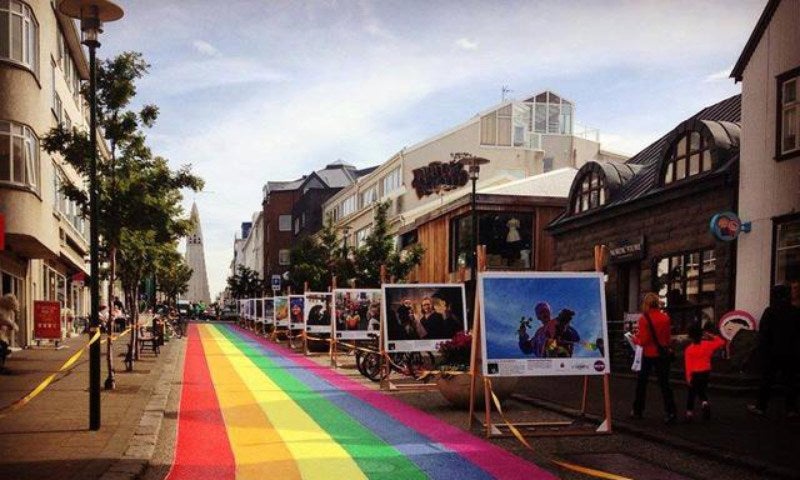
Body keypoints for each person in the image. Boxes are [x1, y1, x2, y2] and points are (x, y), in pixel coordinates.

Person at [747, 284, 799, 418]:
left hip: (772, 353)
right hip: (791, 353)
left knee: (767, 380)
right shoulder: (795, 311)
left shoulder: (770, 311)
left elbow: (764, 334)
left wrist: (762, 352)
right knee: (790, 381)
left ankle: (761, 407)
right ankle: (791, 409)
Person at [632, 292, 677, 423]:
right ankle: (671, 411)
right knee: (665, 384)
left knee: (642, 384)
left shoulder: (643, 319)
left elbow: (644, 340)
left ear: (645, 304)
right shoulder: (665, 318)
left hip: (647, 354)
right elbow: (668, 339)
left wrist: (635, 339)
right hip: (662, 354)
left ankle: (638, 410)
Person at [684, 323, 726, 421]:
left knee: (692, 393)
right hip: (706, 371)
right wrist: (710, 335)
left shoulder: (689, 349)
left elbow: (688, 365)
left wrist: (688, 378)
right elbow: (721, 342)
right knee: (701, 389)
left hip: (695, 373)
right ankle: (704, 403)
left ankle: (689, 413)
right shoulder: (707, 345)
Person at [0, 294, 20, 372]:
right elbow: (5, 320)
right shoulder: (2, 310)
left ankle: (1, 366)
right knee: (2, 348)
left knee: (4, 348)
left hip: (2, 333)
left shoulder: (10, 312)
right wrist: (12, 325)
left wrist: (11, 325)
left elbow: (8, 321)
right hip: (1, 333)